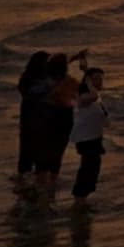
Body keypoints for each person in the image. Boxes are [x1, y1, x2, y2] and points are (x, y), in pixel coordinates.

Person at [32, 52, 84, 203]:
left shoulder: (43, 82)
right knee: (57, 154)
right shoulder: (71, 82)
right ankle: (50, 192)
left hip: (44, 117)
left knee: (42, 156)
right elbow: (83, 93)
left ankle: (42, 193)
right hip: (65, 119)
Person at [70, 67, 110, 205]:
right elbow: (92, 97)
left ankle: (83, 198)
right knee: (88, 168)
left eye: (101, 78)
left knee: (93, 169)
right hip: (85, 139)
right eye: (96, 78)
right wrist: (88, 80)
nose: (100, 81)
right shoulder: (83, 96)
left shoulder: (96, 97)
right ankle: (79, 199)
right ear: (89, 82)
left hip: (94, 138)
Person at [13, 50, 51, 183]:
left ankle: (24, 179)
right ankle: (37, 181)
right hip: (39, 120)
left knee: (26, 152)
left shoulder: (28, 78)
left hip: (29, 119)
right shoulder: (43, 81)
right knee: (39, 154)